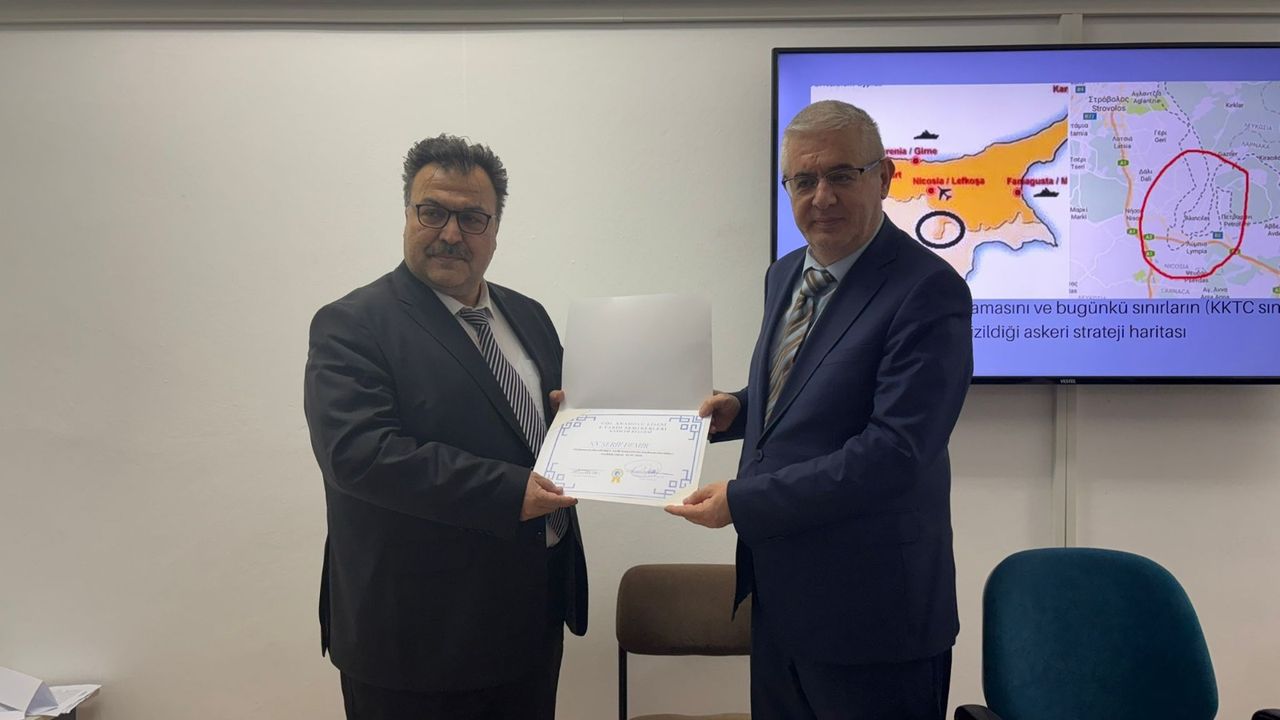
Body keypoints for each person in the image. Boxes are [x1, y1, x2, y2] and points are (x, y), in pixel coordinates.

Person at [667, 100, 973, 719]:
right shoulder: (785, 274)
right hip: (781, 604)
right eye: (803, 180)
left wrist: (742, 502)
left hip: (876, 619)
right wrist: (740, 408)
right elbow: (809, 383)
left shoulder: (929, 290)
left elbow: (894, 452)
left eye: (840, 175)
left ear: (883, 178)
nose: (822, 197)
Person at [304, 134, 587, 720]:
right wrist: (510, 491)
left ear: (495, 228)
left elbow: (545, 423)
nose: (451, 233)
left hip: (529, 621)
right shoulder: (352, 324)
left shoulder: (528, 315)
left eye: (472, 218)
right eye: (432, 212)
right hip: (414, 641)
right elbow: (360, 454)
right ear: (408, 215)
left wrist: (588, 427)